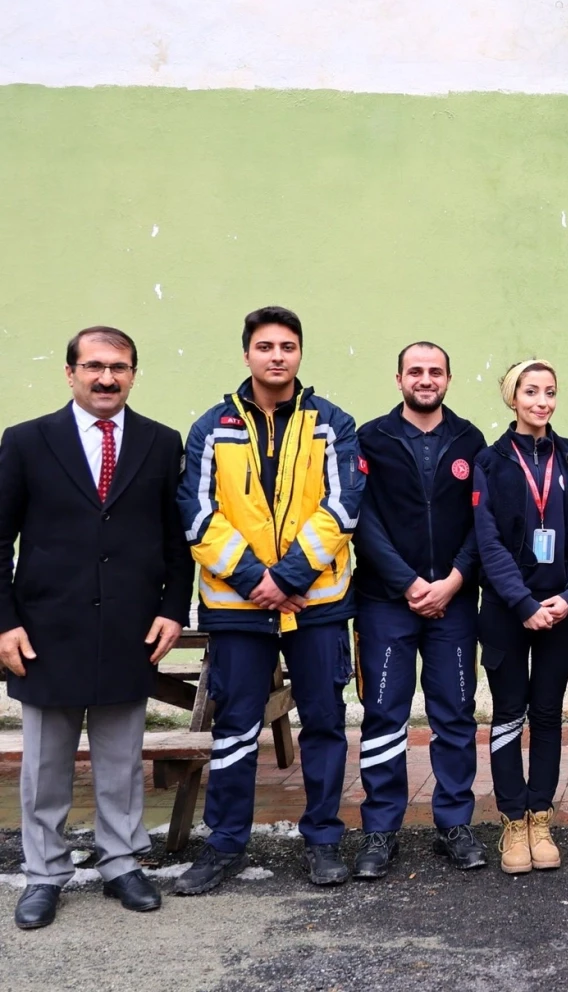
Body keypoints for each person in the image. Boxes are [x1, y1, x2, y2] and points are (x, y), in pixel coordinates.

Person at [0, 327, 191, 930]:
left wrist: (172, 609)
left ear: (134, 373)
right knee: (46, 765)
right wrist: (4, 624)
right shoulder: (28, 441)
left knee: (119, 758)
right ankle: (45, 873)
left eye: (119, 367)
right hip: (45, 630)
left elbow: (176, 541)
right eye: (94, 366)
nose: (106, 378)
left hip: (129, 627)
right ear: (70, 372)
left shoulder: (161, 443)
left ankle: (120, 862)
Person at [174, 306, 364, 895]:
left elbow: (343, 505)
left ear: (300, 354)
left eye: (287, 346)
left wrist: (288, 578)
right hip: (238, 605)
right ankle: (225, 843)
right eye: (265, 346)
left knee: (325, 721)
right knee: (234, 725)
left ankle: (324, 838)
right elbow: (197, 513)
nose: (276, 356)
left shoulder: (332, 422)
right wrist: (258, 579)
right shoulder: (211, 427)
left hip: (317, 601)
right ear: (247, 354)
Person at [350, 342, 488, 879]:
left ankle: (454, 823)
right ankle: (381, 829)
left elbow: (484, 522)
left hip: (453, 601)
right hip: (387, 601)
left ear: (449, 379)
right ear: (399, 378)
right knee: (384, 713)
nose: (425, 379)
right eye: (416, 371)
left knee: (454, 713)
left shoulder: (470, 440)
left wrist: (453, 580)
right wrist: (407, 582)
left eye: (435, 372)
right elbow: (362, 521)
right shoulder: (372, 438)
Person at [472, 359, 568, 874]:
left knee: (547, 714)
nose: (541, 401)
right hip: (507, 610)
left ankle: (540, 816)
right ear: (513, 398)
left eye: (549, 391)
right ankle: (511, 821)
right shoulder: (491, 461)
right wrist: (522, 603)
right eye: (531, 391)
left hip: (562, 610)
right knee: (508, 715)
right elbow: (487, 541)